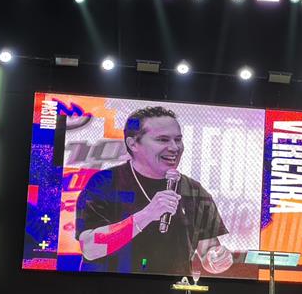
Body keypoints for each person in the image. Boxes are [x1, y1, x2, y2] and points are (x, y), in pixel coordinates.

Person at [75, 106, 233, 276]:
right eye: (163, 140)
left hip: (172, 290)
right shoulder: (105, 183)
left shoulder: (194, 190)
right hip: (112, 288)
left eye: (178, 140)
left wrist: (216, 259)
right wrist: (147, 214)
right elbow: (90, 248)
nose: (174, 147)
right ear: (133, 144)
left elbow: (208, 251)